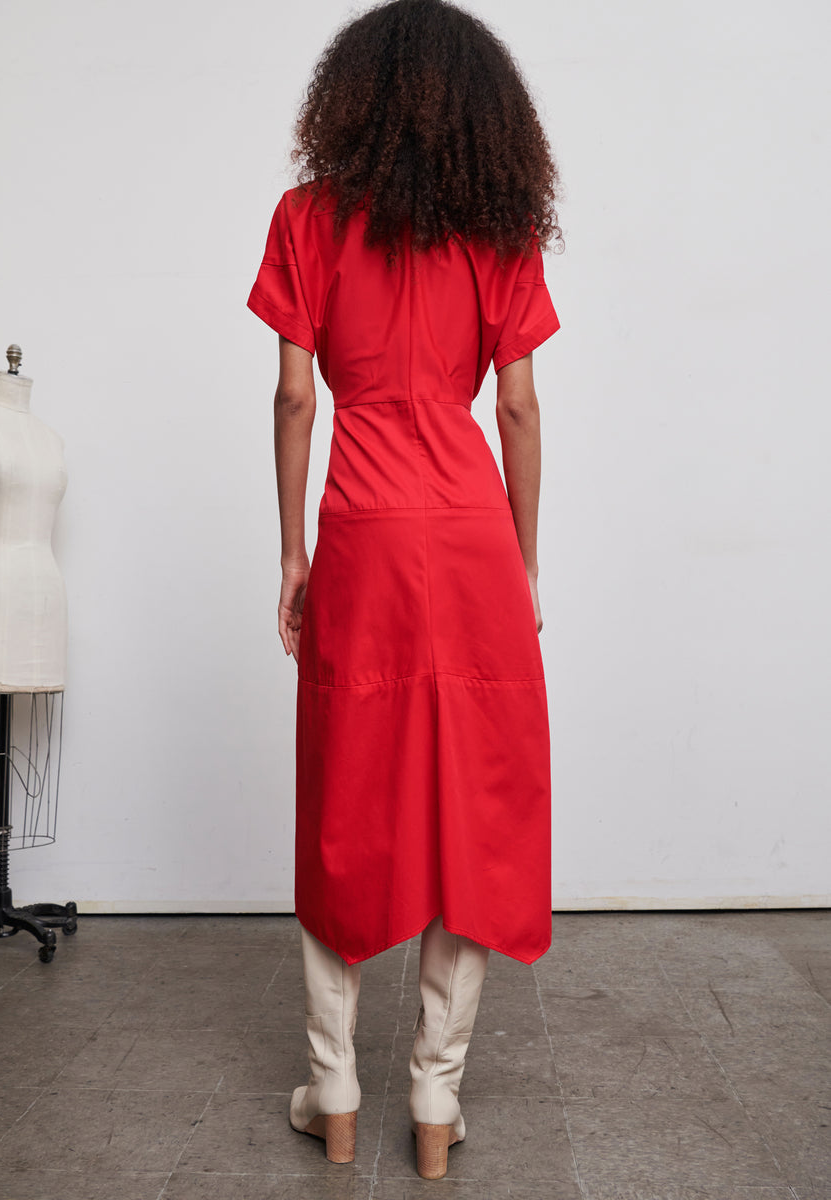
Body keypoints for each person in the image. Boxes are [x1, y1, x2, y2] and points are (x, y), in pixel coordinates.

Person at [247, 0, 563, 1179]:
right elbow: (519, 407)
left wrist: (291, 553)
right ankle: (435, 1102)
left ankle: (333, 1089)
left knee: (347, 795)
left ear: (354, 98)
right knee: (471, 807)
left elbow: (294, 399)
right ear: (483, 112)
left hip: (363, 535)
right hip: (473, 538)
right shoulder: (501, 225)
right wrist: (523, 564)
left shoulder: (306, 218)